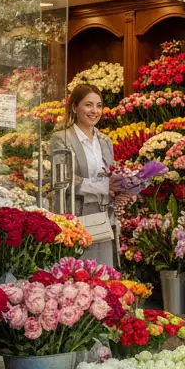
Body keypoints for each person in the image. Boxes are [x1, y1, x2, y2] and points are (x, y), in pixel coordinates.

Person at [50, 84, 118, 266]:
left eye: (98, 105)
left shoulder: (105, 141)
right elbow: (62, 181)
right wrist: (104, 186)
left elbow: (111, 177)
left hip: (103, 217)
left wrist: (123, 189)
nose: (94, 111)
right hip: (77, 217)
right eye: (88, 105)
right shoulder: (62, 139)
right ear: (74, 107)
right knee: (78, 276)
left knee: (103, 276)